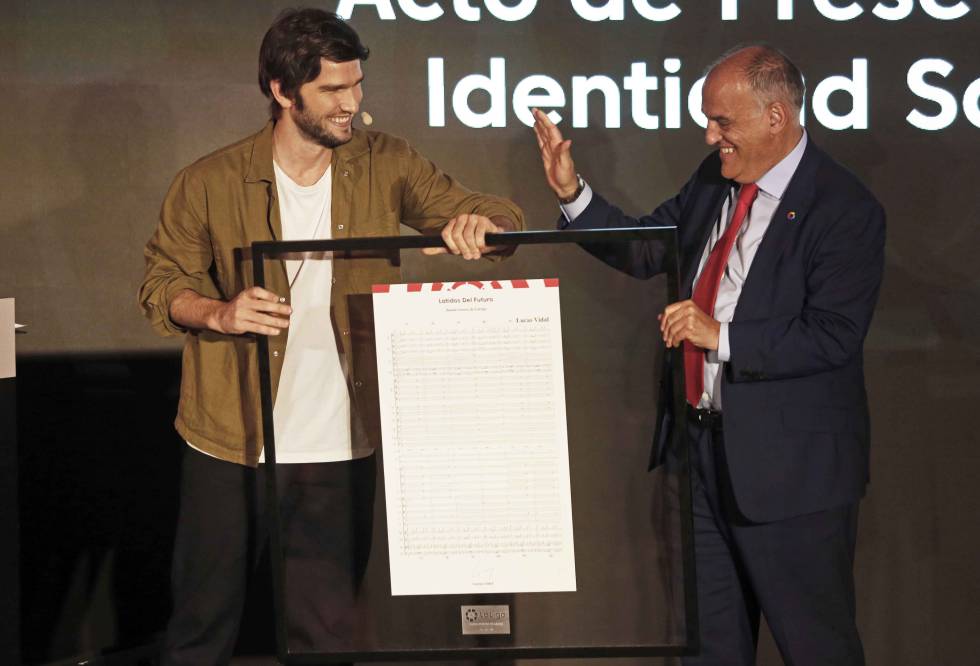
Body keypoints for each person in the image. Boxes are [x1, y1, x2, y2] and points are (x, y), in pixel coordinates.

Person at [139, 8, 524, 665]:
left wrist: (478, 230)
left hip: (340, 449)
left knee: (326, 639)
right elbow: (161, 285)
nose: (354, 104)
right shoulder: (209, 181)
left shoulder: (387, 162)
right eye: (333, 91)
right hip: (229, 441)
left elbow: (499, 217)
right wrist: (218, 312)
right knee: (201, 632)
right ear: (282, 92)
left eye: (357, 85)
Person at [533, 45, 884, 665]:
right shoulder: (713, 177)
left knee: (816, 647)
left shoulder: (845, 209)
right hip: (698, 459)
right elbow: (646, 249)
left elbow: (833, 335)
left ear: (776, 117)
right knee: (709, 651)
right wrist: (572, 194)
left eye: (723, 122)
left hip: (790, 477)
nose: (709, 134)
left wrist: (719, 335)